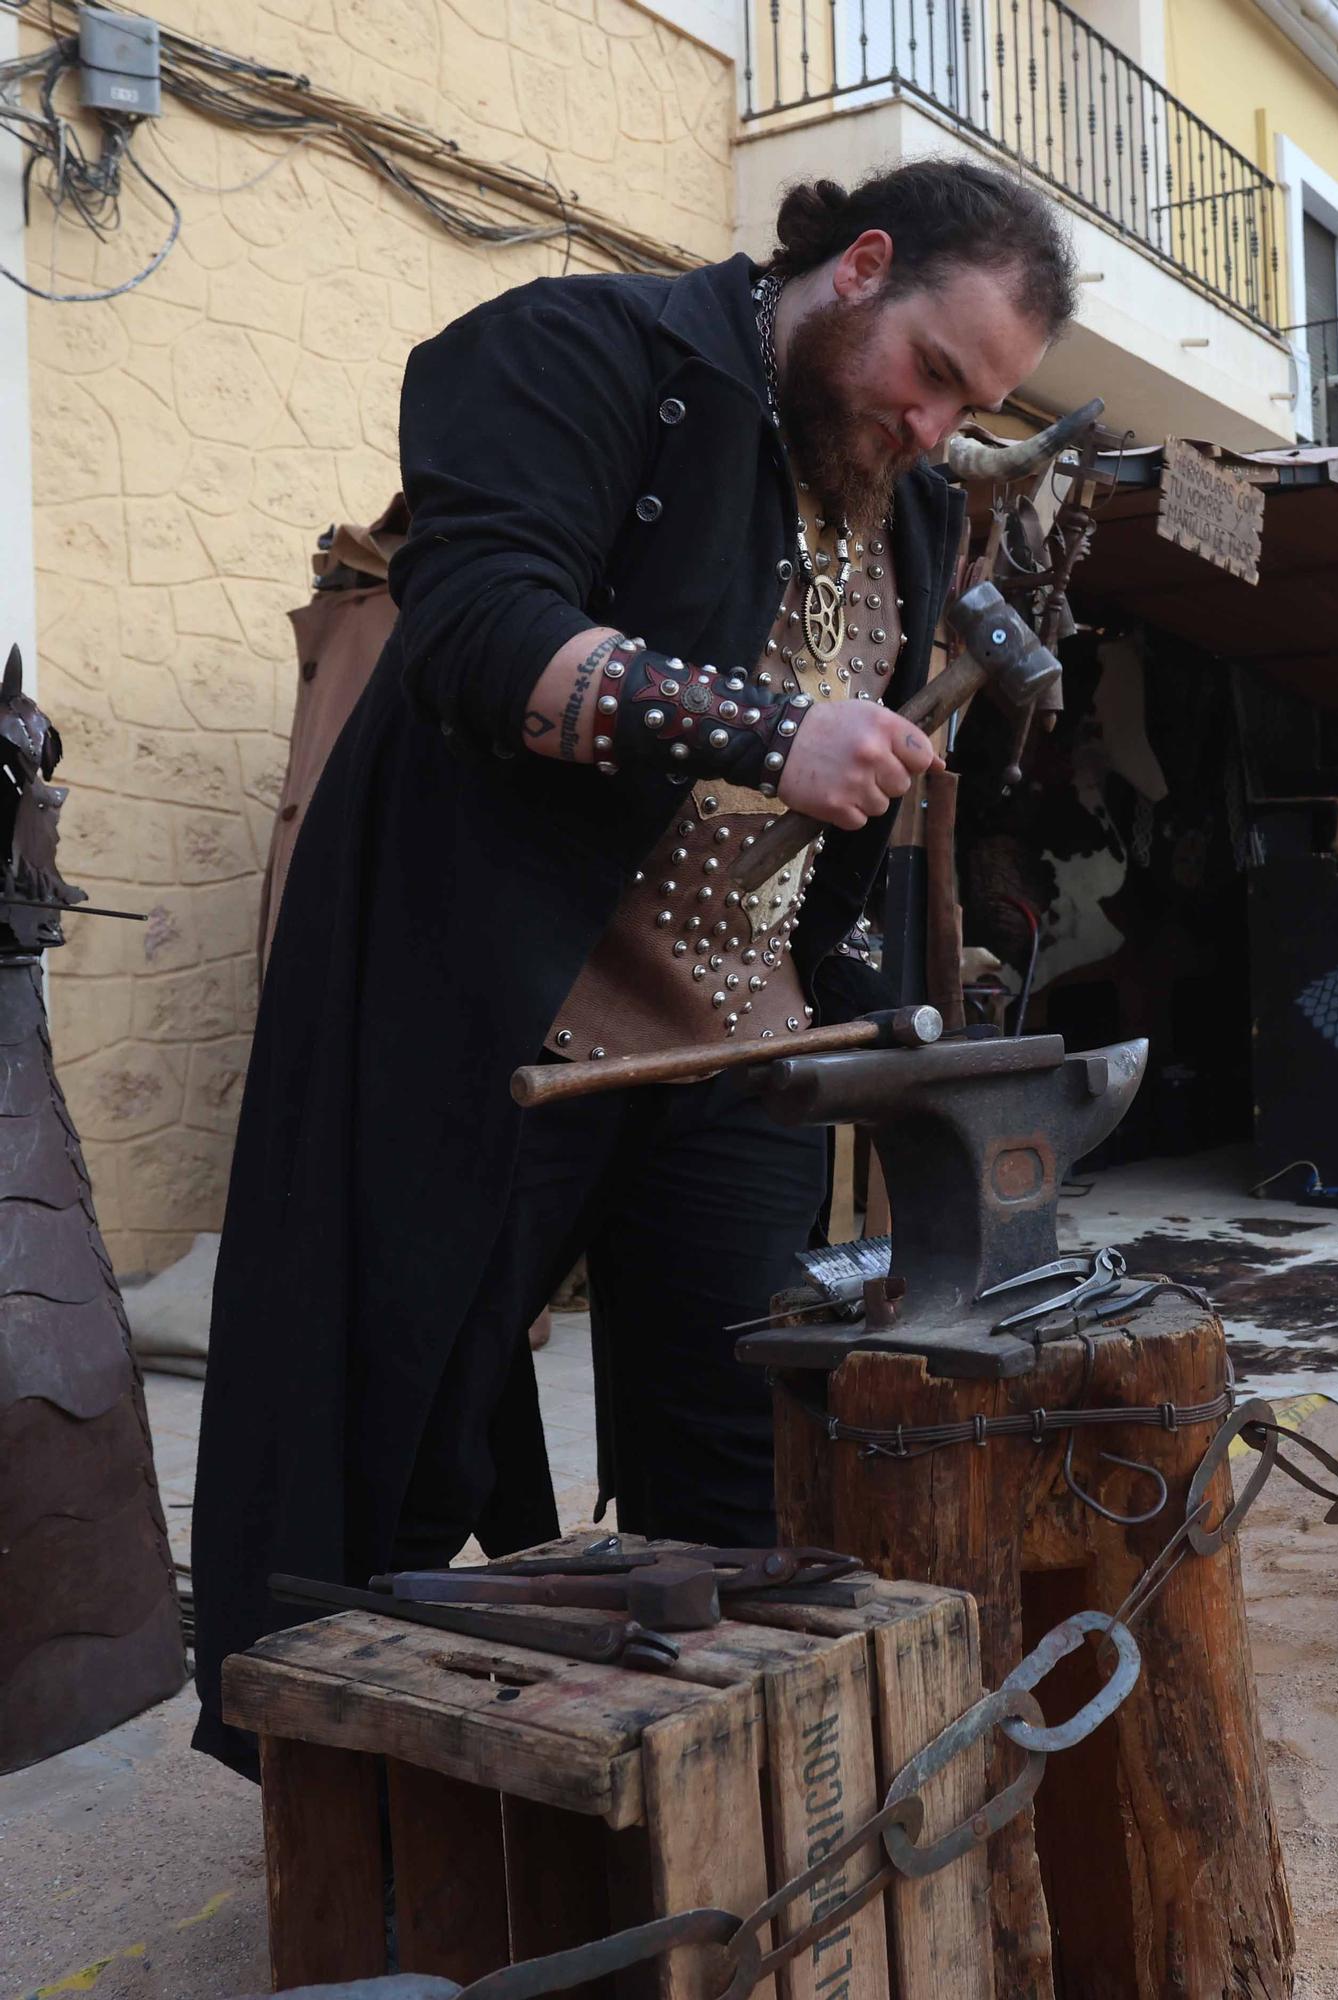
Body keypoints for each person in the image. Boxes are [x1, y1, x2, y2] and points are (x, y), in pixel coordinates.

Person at [190, 158, 1076, 1774]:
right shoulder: (573, 353)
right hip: (497, 1020)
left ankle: (704, 1803)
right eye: (932, 372)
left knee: (728, 1460)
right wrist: (770, 730)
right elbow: (474, 631)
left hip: (730, 1053)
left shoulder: (917, 502)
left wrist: (851, 991)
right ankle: (347, 1809)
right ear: (858, 267)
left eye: (976, 405)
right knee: (388, 1435)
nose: (937, 427)